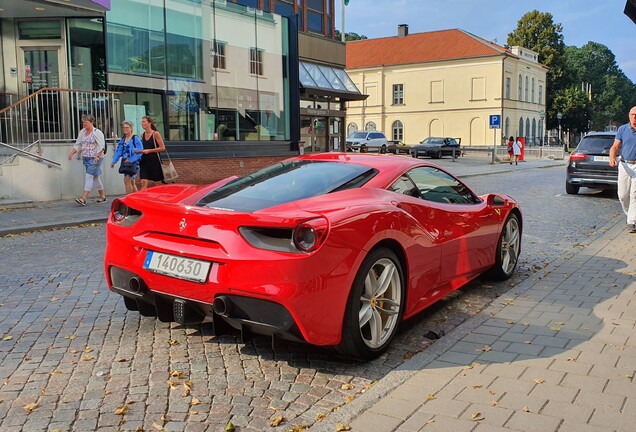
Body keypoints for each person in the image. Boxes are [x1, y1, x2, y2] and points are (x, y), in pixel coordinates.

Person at [67, 114, 107, 205]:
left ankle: (84, 198)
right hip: (86, 157)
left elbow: (102, 146)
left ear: (92, 122)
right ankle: (102, 196)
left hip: (95, 158)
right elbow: (78, 144)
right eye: (83, 122)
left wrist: (98, 156)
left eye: (86, 122)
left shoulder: (97, 132)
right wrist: (72, 153)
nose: (84, 124)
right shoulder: (82, 132)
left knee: (89, 176)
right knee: (95, 177)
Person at [610, 106, 636, 232]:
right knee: (622, 195)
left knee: (634, 195)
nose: (634, 117)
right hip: (625, 165)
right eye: (632, 115)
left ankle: (631, 222)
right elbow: (615, 146)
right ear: (629, 115)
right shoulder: (623, 129)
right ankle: (630, 215)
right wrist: (612, 158)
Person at [111, 121, 143, 194]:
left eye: (127, 127)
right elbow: (119, 151)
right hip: (126, 163)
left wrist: (131, 160)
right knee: (132, 182)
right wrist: (114, 161)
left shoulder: (135, 138)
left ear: (131, 128)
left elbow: (140, 151)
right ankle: (136, 199)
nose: (125, 129)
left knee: (127, 181)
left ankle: (128, 200)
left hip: (134, 163)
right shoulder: (123, 139)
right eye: (124, 128)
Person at [136, 116, 165, 190]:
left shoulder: (156, 134)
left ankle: (160, 199)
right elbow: (143, 148)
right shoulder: (142, 135)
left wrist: (149, 151)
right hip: (144, 161)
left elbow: (162, 148)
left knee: (157, 183)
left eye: (144, 122)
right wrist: (139, 151)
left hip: (154, 161)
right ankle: (143, 200)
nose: (142, 123)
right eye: (141, 122)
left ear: (149, 123)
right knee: (143, 182)